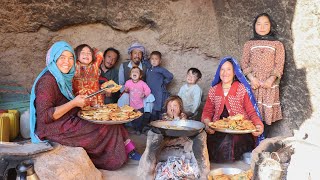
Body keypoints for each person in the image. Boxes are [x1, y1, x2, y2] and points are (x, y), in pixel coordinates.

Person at [29, 41, 141, 171]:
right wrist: (73, 103)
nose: (67, 61)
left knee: (110, 120)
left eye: (70, 58)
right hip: (54, 129)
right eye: (62, 57)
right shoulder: (47, 81)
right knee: (106, 126)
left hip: (66, 120)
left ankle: (127, 148)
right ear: (53, 58)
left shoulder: (62, 77)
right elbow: (45, 117)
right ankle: (110, 159)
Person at [201, 56, 264, 163]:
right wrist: (207, 124)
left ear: (234, 72)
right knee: (205, 142)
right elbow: (207, 112)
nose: (225, 72)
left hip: (240, 132)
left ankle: (225, 167)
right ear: (218, 71)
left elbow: (251, 112)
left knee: (230, 141)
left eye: (228, 69)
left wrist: (258, 125)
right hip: (219, 130)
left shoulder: (240, 88)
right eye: (222, 69)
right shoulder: (213, 90)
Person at [240, 13, 285, 136]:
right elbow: (244, 63)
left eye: (266, 24)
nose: (262, 27)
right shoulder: (249, 44)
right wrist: (252, 79)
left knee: (265, 116)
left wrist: (271, 79)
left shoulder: (277, 44)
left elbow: (279, 64)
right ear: (254, 26)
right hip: (253, 84)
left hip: (269, 85)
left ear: (271, 26)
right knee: (250, 113)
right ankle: (249, 144)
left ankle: (262, 143)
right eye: (259, 24)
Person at [146, 51, 173, 120]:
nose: (154, 61)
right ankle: (152, 124)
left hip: (159, 92)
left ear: (160, 61)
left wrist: (164, 82)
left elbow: (170, 76)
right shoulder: (149, 69)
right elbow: (145, 62)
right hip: (151, 92)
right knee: (151, 107)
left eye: (156, 59)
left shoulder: (161, 70)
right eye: (152, 59)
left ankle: (159, 124)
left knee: (158, 108)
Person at [124, 67, 151, 134]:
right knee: (133, 118)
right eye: (133, 72)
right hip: (131, 105)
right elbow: (126, 90)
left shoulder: (142, 83)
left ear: (140, 75)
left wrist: (144, 94)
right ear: (130, 75)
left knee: (139, 119)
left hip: (140, 105)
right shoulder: (128, 82)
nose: (135, 73)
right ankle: (134, 129)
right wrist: (126, 90)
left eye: (137, 72)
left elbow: (148, 90)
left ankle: (139, 130)